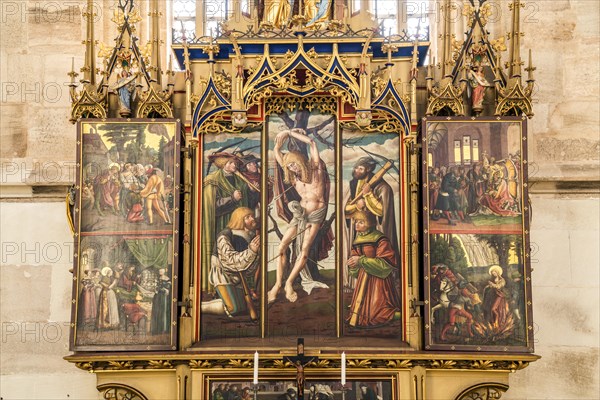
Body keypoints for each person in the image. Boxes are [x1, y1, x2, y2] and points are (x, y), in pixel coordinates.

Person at [268, 128, 330, 303]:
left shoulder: (315, 169)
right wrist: (277, 148)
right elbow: (280, 160)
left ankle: (288, 284)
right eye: (289, 166)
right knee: (281, 247)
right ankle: (277, 285)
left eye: (294, 164)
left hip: (316, 215)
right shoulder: (293, 178)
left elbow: (311, 143)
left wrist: (288, 132)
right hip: (300, 215)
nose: (292, 168)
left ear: (301, 161)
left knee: (304, 250)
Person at [201, 152, 249, 291]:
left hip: (239, 224)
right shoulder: (212, 180)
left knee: (240, 253)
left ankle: (241, 287)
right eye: (231, 163)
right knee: (225, 254)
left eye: (235, 163)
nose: (234, 165)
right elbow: (210, 206)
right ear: (223, 164)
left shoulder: (240, 180)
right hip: (223, 223)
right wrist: (232, 198)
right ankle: (222, 287)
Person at [202, 207, 260, 318]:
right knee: (233, 308)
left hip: (238, 276)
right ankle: (199, 307)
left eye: (252, 216)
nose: (252, 219)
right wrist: (251, 251)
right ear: (239, 220)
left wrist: (255, 254)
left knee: (243, 308)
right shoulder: (225, 236)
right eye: (247, 217)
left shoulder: (251, 237)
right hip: (224, 275)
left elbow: (249, 268)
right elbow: (230, 261)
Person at [347, 211, 401, 328]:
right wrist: (353, 264)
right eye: (356, 221)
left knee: (378, 311)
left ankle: (398, 315)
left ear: (370, 223)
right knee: (360, 310)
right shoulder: (357, 240)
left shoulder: (380, 239)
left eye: (361, 222)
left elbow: (385, 264)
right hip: (363, 279)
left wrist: (360, 261)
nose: (356, 224)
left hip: (378, 281)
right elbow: (354, 256)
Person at [97, 265, 120, 329]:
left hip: (107, 294)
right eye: (110, 273)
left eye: (112, 273)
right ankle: (104, 324)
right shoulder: (104, 278)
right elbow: (108, 287)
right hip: (105, 294)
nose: (111, 274)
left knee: (109, 308)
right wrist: (114, 283)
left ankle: (109, 323)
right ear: (107, 273)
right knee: (105, 308)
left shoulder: (109, 278)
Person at [150, 267, 171, 335]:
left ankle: (163, 329)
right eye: (159, 271)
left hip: (163, 297)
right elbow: (155, 287)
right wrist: (156, 288)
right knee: (156, 311)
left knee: (163, 311)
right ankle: (156, 329)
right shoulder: (157, 279)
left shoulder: (167, 279)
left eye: (161, 271)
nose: (160, 272)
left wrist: (161, 289)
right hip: (157, 297)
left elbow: (167, 289)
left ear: (164, 271)